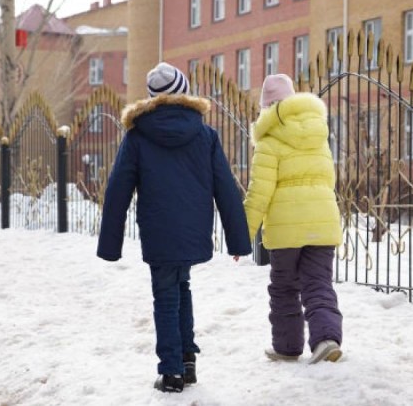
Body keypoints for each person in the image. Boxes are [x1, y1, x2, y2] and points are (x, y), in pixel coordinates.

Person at [97, 62, 252, 393]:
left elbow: (117, 189)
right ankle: (187, 359)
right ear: (183, 93)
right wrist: (238, 240)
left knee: (166, 294)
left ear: (152, 98)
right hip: (194, 227)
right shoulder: (205, 134)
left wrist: (110, 245)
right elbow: (225, 186)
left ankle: (171, 371)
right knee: (182, 286)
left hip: (159, 229)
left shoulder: (137, 137)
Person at [242, 73, 344, 364]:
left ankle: (287, 347)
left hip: (286, 232)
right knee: (319, 283)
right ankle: (326, 339)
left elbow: (259, 192)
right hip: (322, 224)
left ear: (267, 109)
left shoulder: (269, 140)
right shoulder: (319, 135)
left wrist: (243, 234)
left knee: (284, 287)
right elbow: (328, 179)